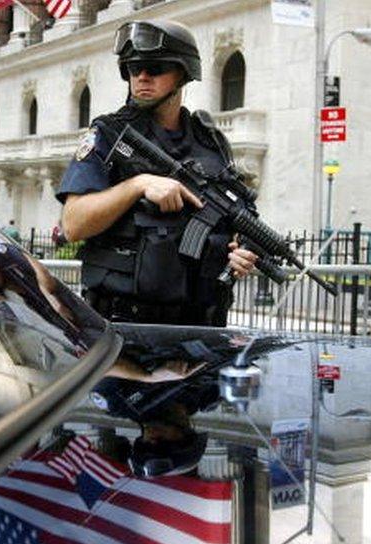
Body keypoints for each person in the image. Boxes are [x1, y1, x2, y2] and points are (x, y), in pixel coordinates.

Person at [55, 20, 257, 326]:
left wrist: (240, 251)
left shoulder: (211, 142)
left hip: (201, 327)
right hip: (125, 327)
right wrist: (138, 184)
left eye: (155, 68)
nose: (142, 77)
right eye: (134, 69)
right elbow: (73, 224)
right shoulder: (109, 135)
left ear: (183, 73)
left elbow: (239, 220)